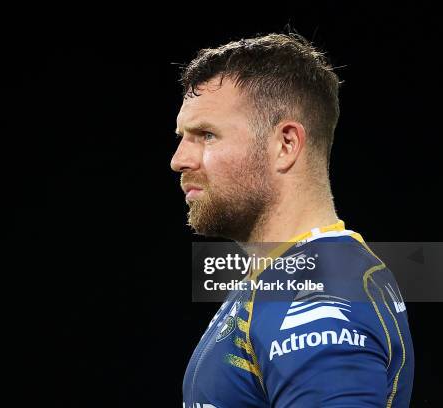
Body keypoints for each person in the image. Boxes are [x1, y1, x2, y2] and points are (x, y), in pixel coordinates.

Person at [172, 33, 414, 407]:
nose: (179, 160)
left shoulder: (318, 297)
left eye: (206, 135)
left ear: (286, 144)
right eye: (182, 136)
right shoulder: (287, 275)